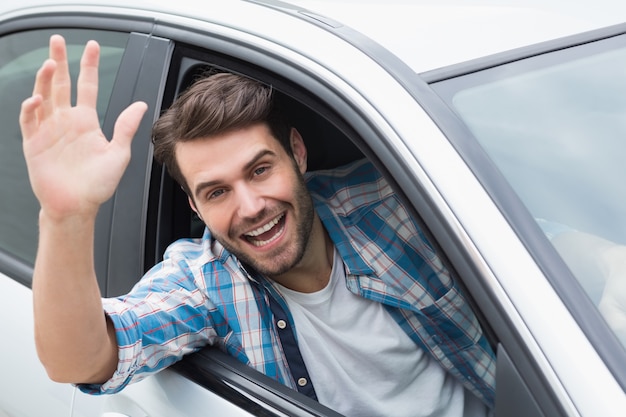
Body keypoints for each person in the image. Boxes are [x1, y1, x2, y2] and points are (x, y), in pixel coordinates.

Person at [21, 35, 497, 417]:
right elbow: (80, 360)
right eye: (217, 191)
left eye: (260, 169)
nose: (250, 207)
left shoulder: (392, 201)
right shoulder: (207, 281)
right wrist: (67, 218)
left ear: (298, 152)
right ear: (195, 206)